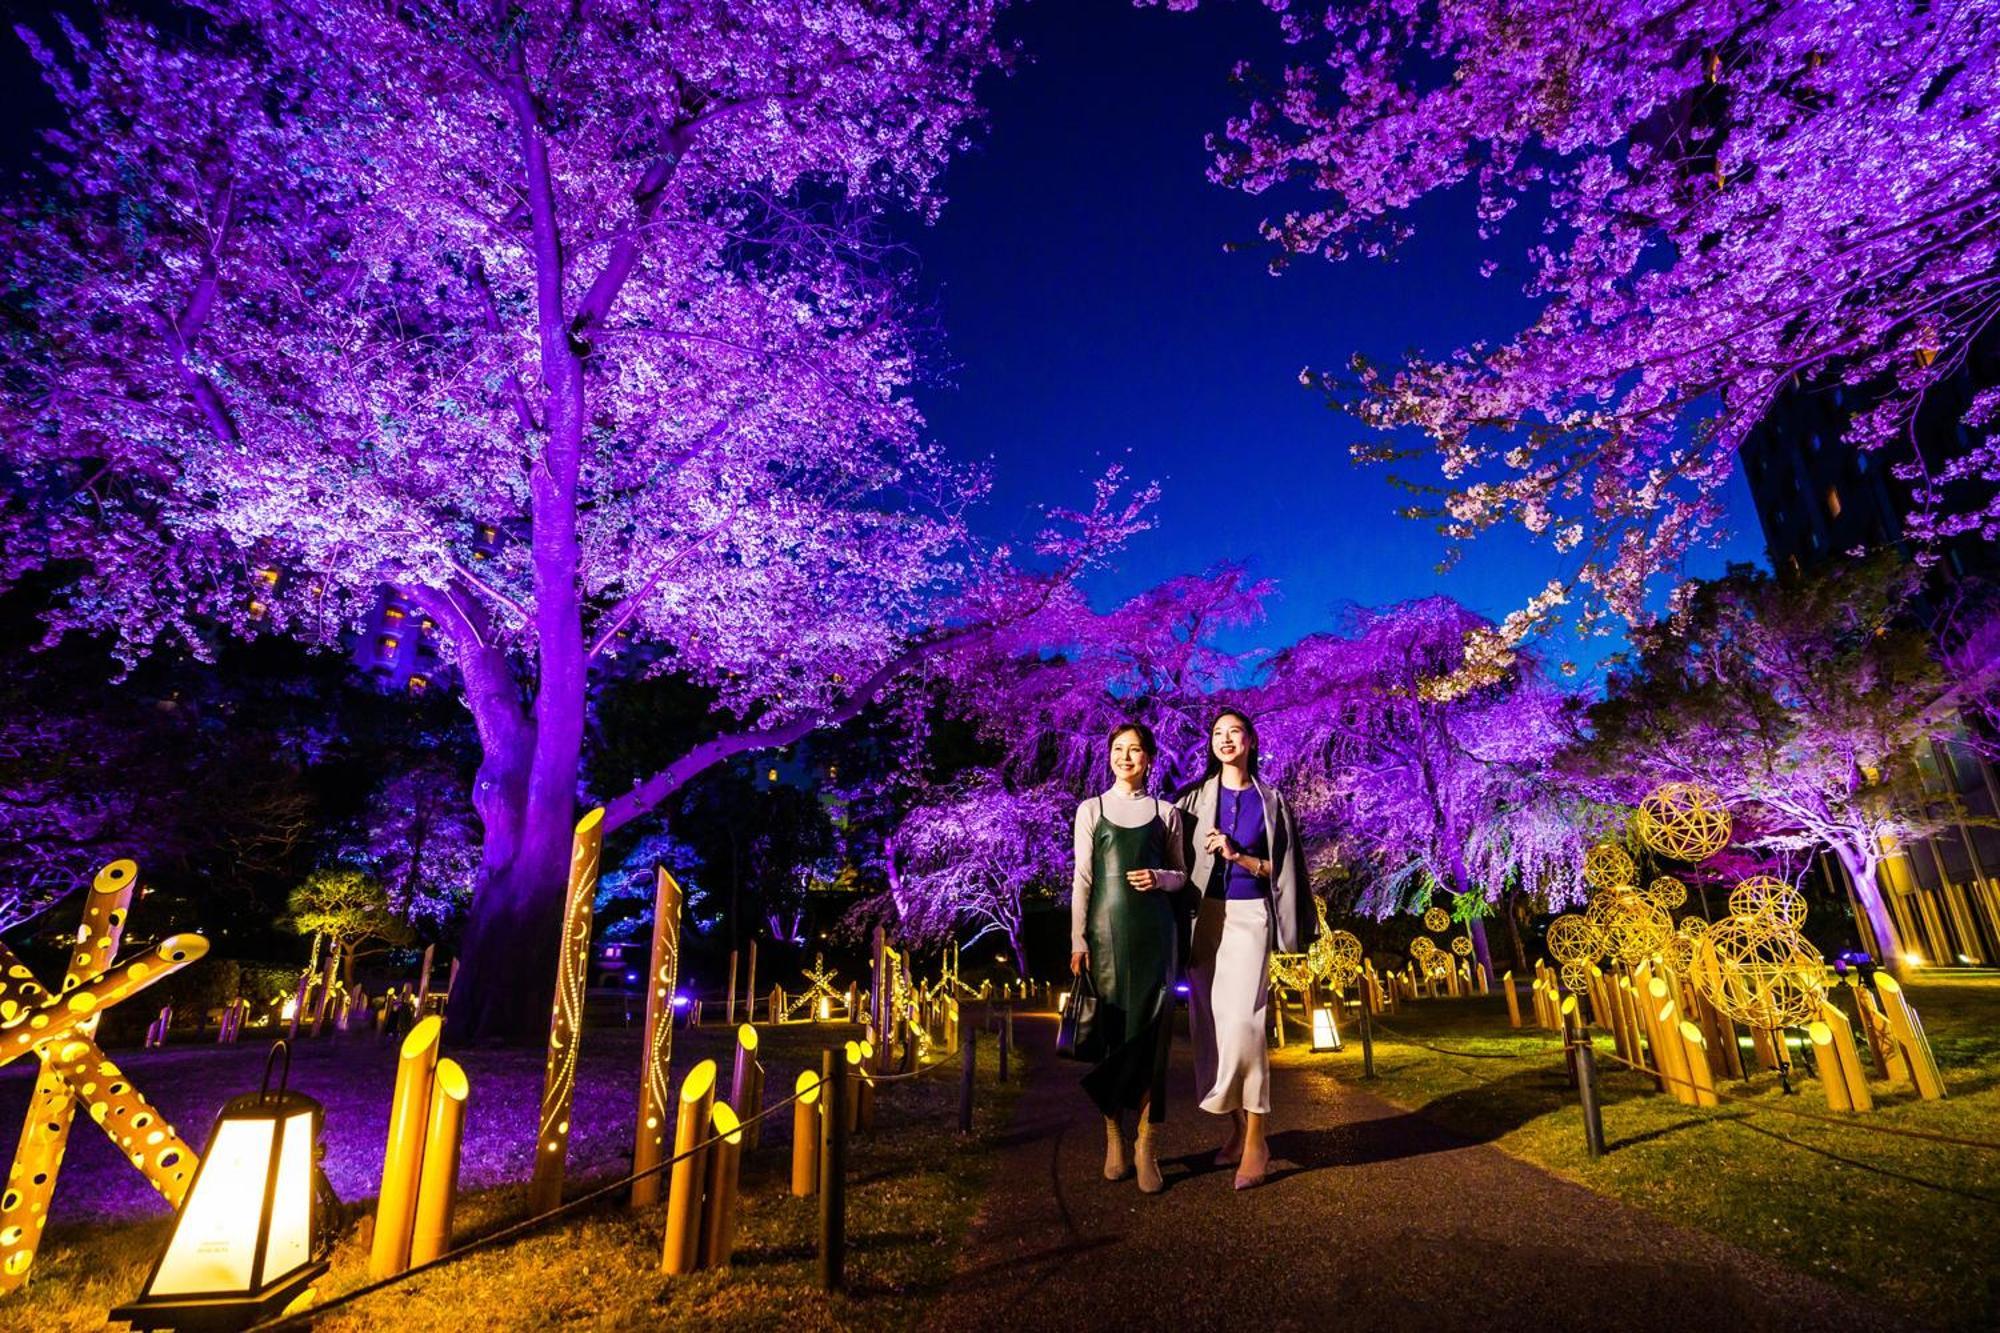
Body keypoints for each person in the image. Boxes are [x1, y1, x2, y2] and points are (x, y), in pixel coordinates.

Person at [1177, 707, 1310, 1190]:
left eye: (1234, 732)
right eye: (1217, 733)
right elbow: (1174, 861)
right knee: (1210, 1031)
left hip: (1249, 918)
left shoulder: (1271, 802)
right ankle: (1234, 1130)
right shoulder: (1191, 801)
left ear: (1251, 741)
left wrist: (1240, 856)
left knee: (1244, 1024)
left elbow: (1286, 871)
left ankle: (1257, 1137)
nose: (1225, 739)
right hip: (1203, 919)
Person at [1070, 722, 1188, 1194]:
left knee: (1151, 1042)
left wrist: (1161, 877)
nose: (1125, 756)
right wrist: (1077, 940)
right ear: (1109, 756)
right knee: (1111, 1040)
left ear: (1149, 758)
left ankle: (1147, 1143)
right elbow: (1081, 879)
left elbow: (1183, 876)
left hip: (1155, 937)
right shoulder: (1091, 809)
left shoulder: (1167, 812)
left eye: (1135, 749)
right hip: (1102, 938)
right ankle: (1113, 1134)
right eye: (1118, 749)